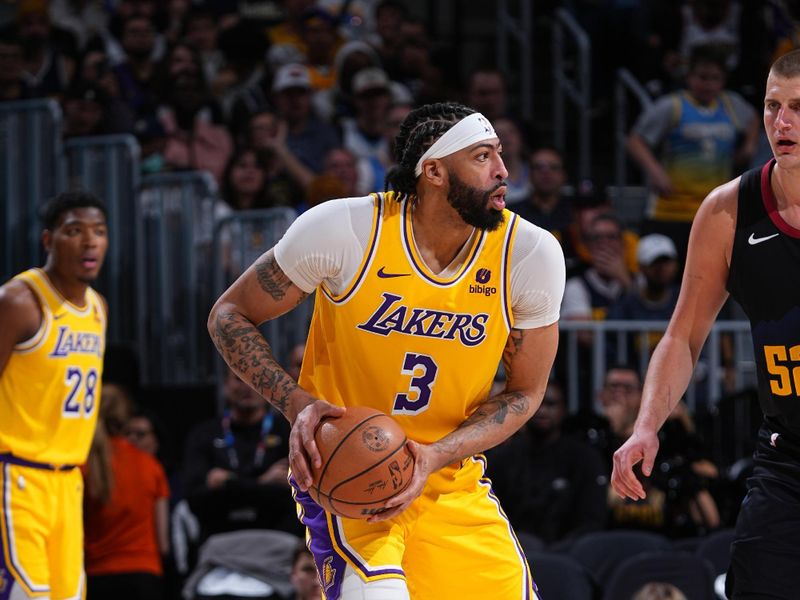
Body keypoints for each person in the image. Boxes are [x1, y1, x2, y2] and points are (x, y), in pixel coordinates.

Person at [208, 101, 565, 599]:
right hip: (350, 477)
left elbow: (526, 393)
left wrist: (435, 454)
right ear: (434, 171)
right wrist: (298, 405)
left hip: (449, 476)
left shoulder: (529, 254)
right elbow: (229, 315)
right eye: (483, 156)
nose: (504, 170)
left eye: (501, 155)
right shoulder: (347, 230)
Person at [612, 49, 800, 598]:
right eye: (771, 107)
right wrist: (647, 424)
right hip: (786, 456)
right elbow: (683, 335)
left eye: (796, 108)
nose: (781, 123)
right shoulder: (728, 211)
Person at [0, 191, 108, 599]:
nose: (90, 242)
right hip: (15, 477)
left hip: (68, 486)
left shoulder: (98, 308)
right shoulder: (18, 302)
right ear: (48, 241)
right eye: (74, 231)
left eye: (99, 232)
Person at [626, 42, 758, 265]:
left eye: (714, 78)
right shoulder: (672, 106)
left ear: (723, 81)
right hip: (669, 211)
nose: (708, 84)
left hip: (713, 213)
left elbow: (754, 118)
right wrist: (655, 171)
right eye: (702, 77)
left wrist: (749, 146)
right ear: (689, 77)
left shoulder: (731, 105)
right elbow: (635, 140)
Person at [486, 379, 607, 548]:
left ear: (563, 409)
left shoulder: (584, 457)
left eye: (551, 404)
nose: (542, 411)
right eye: (538, 404)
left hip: (570, 555)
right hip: (513, 550)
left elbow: (592, 520)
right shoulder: (502, 457)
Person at [182, 368, 297, 540]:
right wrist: (263, 483)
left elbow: (293, 498)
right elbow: (196, 499)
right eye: (239, 378)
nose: (248, 385)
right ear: (225, 386)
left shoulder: (288, 432)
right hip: (220, 543)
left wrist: (229, 483)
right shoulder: (204, 434)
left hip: (280, 542)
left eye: (256, 379)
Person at [83, 381, 170, 600]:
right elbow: (164, 542)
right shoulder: (151, 466)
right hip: (144, 576)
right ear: (125, 418)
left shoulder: (84, 467)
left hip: (95, 576)